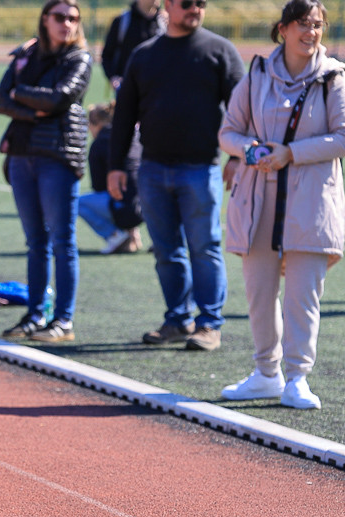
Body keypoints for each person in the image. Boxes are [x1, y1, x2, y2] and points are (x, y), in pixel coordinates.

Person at [217, 0, 345, 410]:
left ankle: (298, 378)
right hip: (258, 199)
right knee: (259, 292)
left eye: (318, 25)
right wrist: (249, 151)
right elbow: (228, 132)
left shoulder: (334, 78)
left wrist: (291, 152)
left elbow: (343, 136)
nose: (311, 33)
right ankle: (265, 374)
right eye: (304, 24)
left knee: (303, 296)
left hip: (311, 201)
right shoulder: (255, 75)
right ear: (283, 29)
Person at [108, 0, 244, 352]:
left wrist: (236, 156)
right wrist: (115, 165)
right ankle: (177, 319)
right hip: (152, 169)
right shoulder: (143, 54)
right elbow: (124, 115)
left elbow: (243, 110)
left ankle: (209, 324)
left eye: (201, 3)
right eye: (187, 3)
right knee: (166, 251)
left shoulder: (220, 51)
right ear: (168, 4)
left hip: (201, 169)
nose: (195, 9)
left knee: (205, 248)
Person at [0, 0, 92, 343]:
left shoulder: (79, 58)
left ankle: (62, 320)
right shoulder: (28, 55)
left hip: (58, 157)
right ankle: (36, 314)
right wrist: (33, 109)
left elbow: (59, 99)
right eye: (60, 17)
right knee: (36, 242)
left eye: (74, 18)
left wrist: (21, 94)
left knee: (63, 241)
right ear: (45, 19)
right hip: (22, 155)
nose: (68, 23)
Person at [79, 101, 143, 254]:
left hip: (127, 208)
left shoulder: (99, 143)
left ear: (95, 124)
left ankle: (114, 235)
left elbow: (100, 187)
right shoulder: (134, 135)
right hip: (150, 204)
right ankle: (135, 237)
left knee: (77, 203)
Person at [100, 0, 165, 92]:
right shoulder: (122, 21)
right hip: (127, 89)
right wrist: (113, 77)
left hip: (158, 89)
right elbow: (107, 55)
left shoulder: (165, 23)